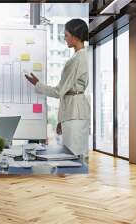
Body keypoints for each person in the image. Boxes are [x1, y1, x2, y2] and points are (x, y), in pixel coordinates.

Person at [25, 19, 90, 159]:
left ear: (75, 36)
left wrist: (37, 84)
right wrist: (61, 119)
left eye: (66, 35)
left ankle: (73, 181)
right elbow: (67, 92)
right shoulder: (83, 56)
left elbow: (59, 92)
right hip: (76, 112)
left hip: (74, 113)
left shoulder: (76, 60)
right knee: (78, 155)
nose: (64, 38)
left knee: (73, 157)